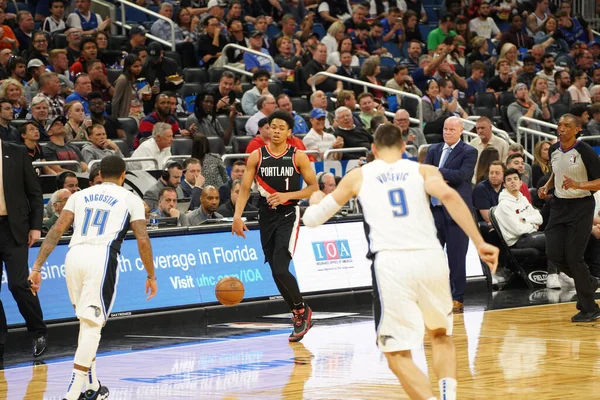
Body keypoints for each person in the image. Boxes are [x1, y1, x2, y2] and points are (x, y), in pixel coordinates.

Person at [302, 123, 498, 400]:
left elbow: (312, 219)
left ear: (373, 148)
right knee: (441, 336)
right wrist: (479, 242)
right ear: (404, 146)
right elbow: (451, 196)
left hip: (393, 264)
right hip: (430, 258)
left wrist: (315, 199)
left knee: (395, 353)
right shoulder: (423, 170)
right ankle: (446, 396)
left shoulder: (358, 176)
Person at [28, 155, 156, 400]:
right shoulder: (130, 198)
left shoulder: (78, 196)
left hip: (73, 256)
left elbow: (56, 230)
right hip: (101, 257)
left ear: (98, 174)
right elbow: (142, 238)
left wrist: (37, 266)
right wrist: (151, 274)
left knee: (87, 324)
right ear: (123, 175)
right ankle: (73, 391)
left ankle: (91, 386)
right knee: (93, 325)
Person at [232, 110, 318, 342]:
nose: (277, 130)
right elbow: (245, 188)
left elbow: (313, 188)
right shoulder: (256, 156)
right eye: (273, 126)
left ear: (289, 132)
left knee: (281, 268)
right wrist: (237, 217)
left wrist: (285, 195)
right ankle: (299, 313)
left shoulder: (297, 156)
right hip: (265, 215)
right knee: (275, 271)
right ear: (267, 129)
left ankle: (301, 312)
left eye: (282, 127)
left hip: (289, 213)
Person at [538, 114, 600, 321]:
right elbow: (556, 172)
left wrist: (578, 185)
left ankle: (589, 308)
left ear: (576, 130)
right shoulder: (554, 150)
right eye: (559, 125)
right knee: (554, 253)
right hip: (558, 205)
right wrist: (547, 186)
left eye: (567, 126)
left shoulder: (585, 151)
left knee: (574, 257)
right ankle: (589, 282)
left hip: (581, 206)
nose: (561, 128)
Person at [0, 133, 46, 362]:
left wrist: (36, 226)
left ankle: (38, 332)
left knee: (18, 284)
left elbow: (35, 193)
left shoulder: (16, 152)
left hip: (13, 227)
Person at [424, 117, 478, 312]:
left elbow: (462, 175)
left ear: (460, 131)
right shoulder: (433, 150)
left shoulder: (469, 151)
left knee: (456, 257)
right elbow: (425, 175)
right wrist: (442, 176)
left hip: (457, 212)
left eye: (452, 130)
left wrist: (438, 172)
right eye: (445, 129)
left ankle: (457, 297)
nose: (447, 132)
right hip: (435, 211)